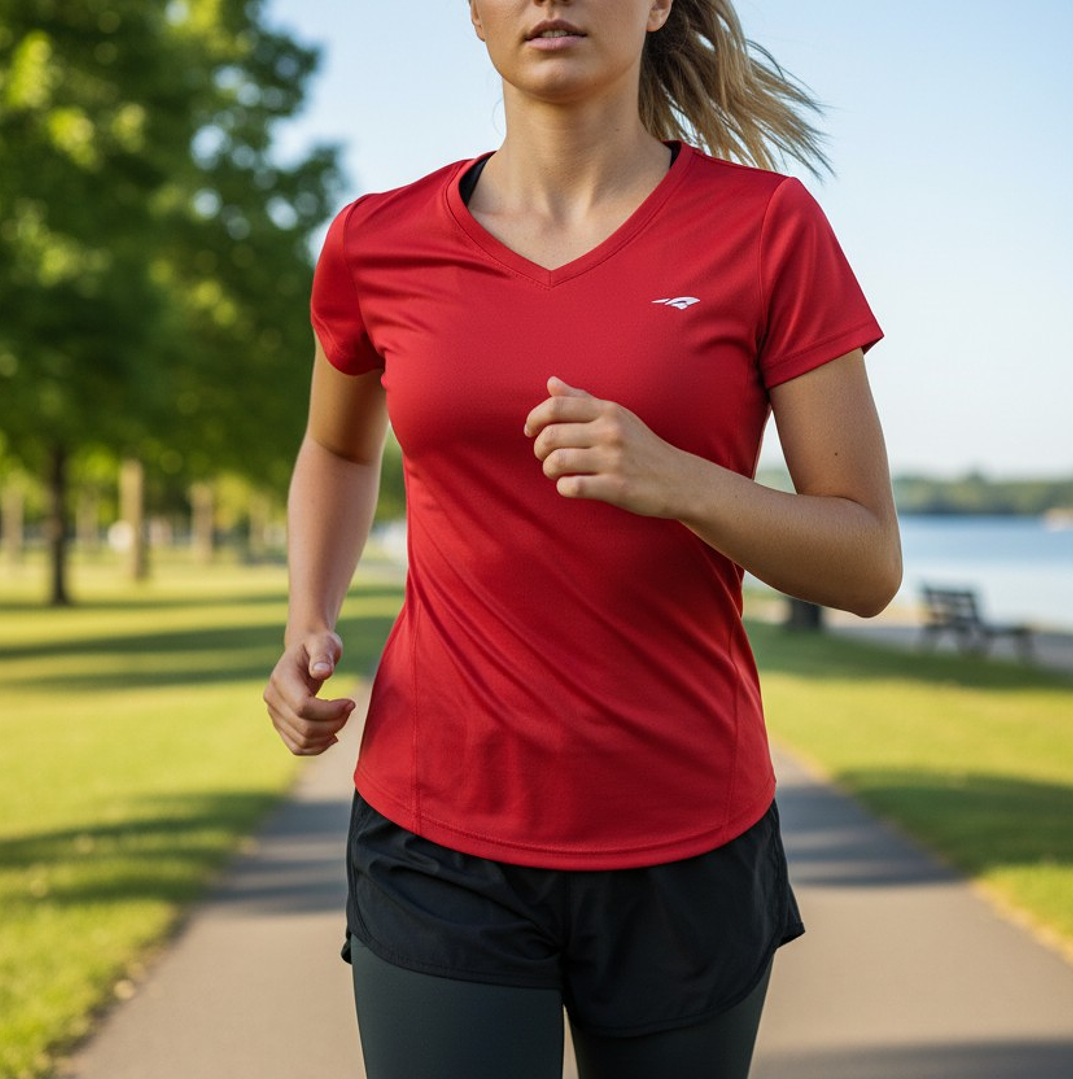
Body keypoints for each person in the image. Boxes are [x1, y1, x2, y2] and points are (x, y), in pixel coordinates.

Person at [264, 1, 902, 1076]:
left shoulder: (767, 228)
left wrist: (681, 481)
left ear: (657, 4)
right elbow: (335, 450)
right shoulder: (375, 240)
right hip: (437, 826)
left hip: (686, 833)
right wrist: (306, 618)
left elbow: (867, 562)